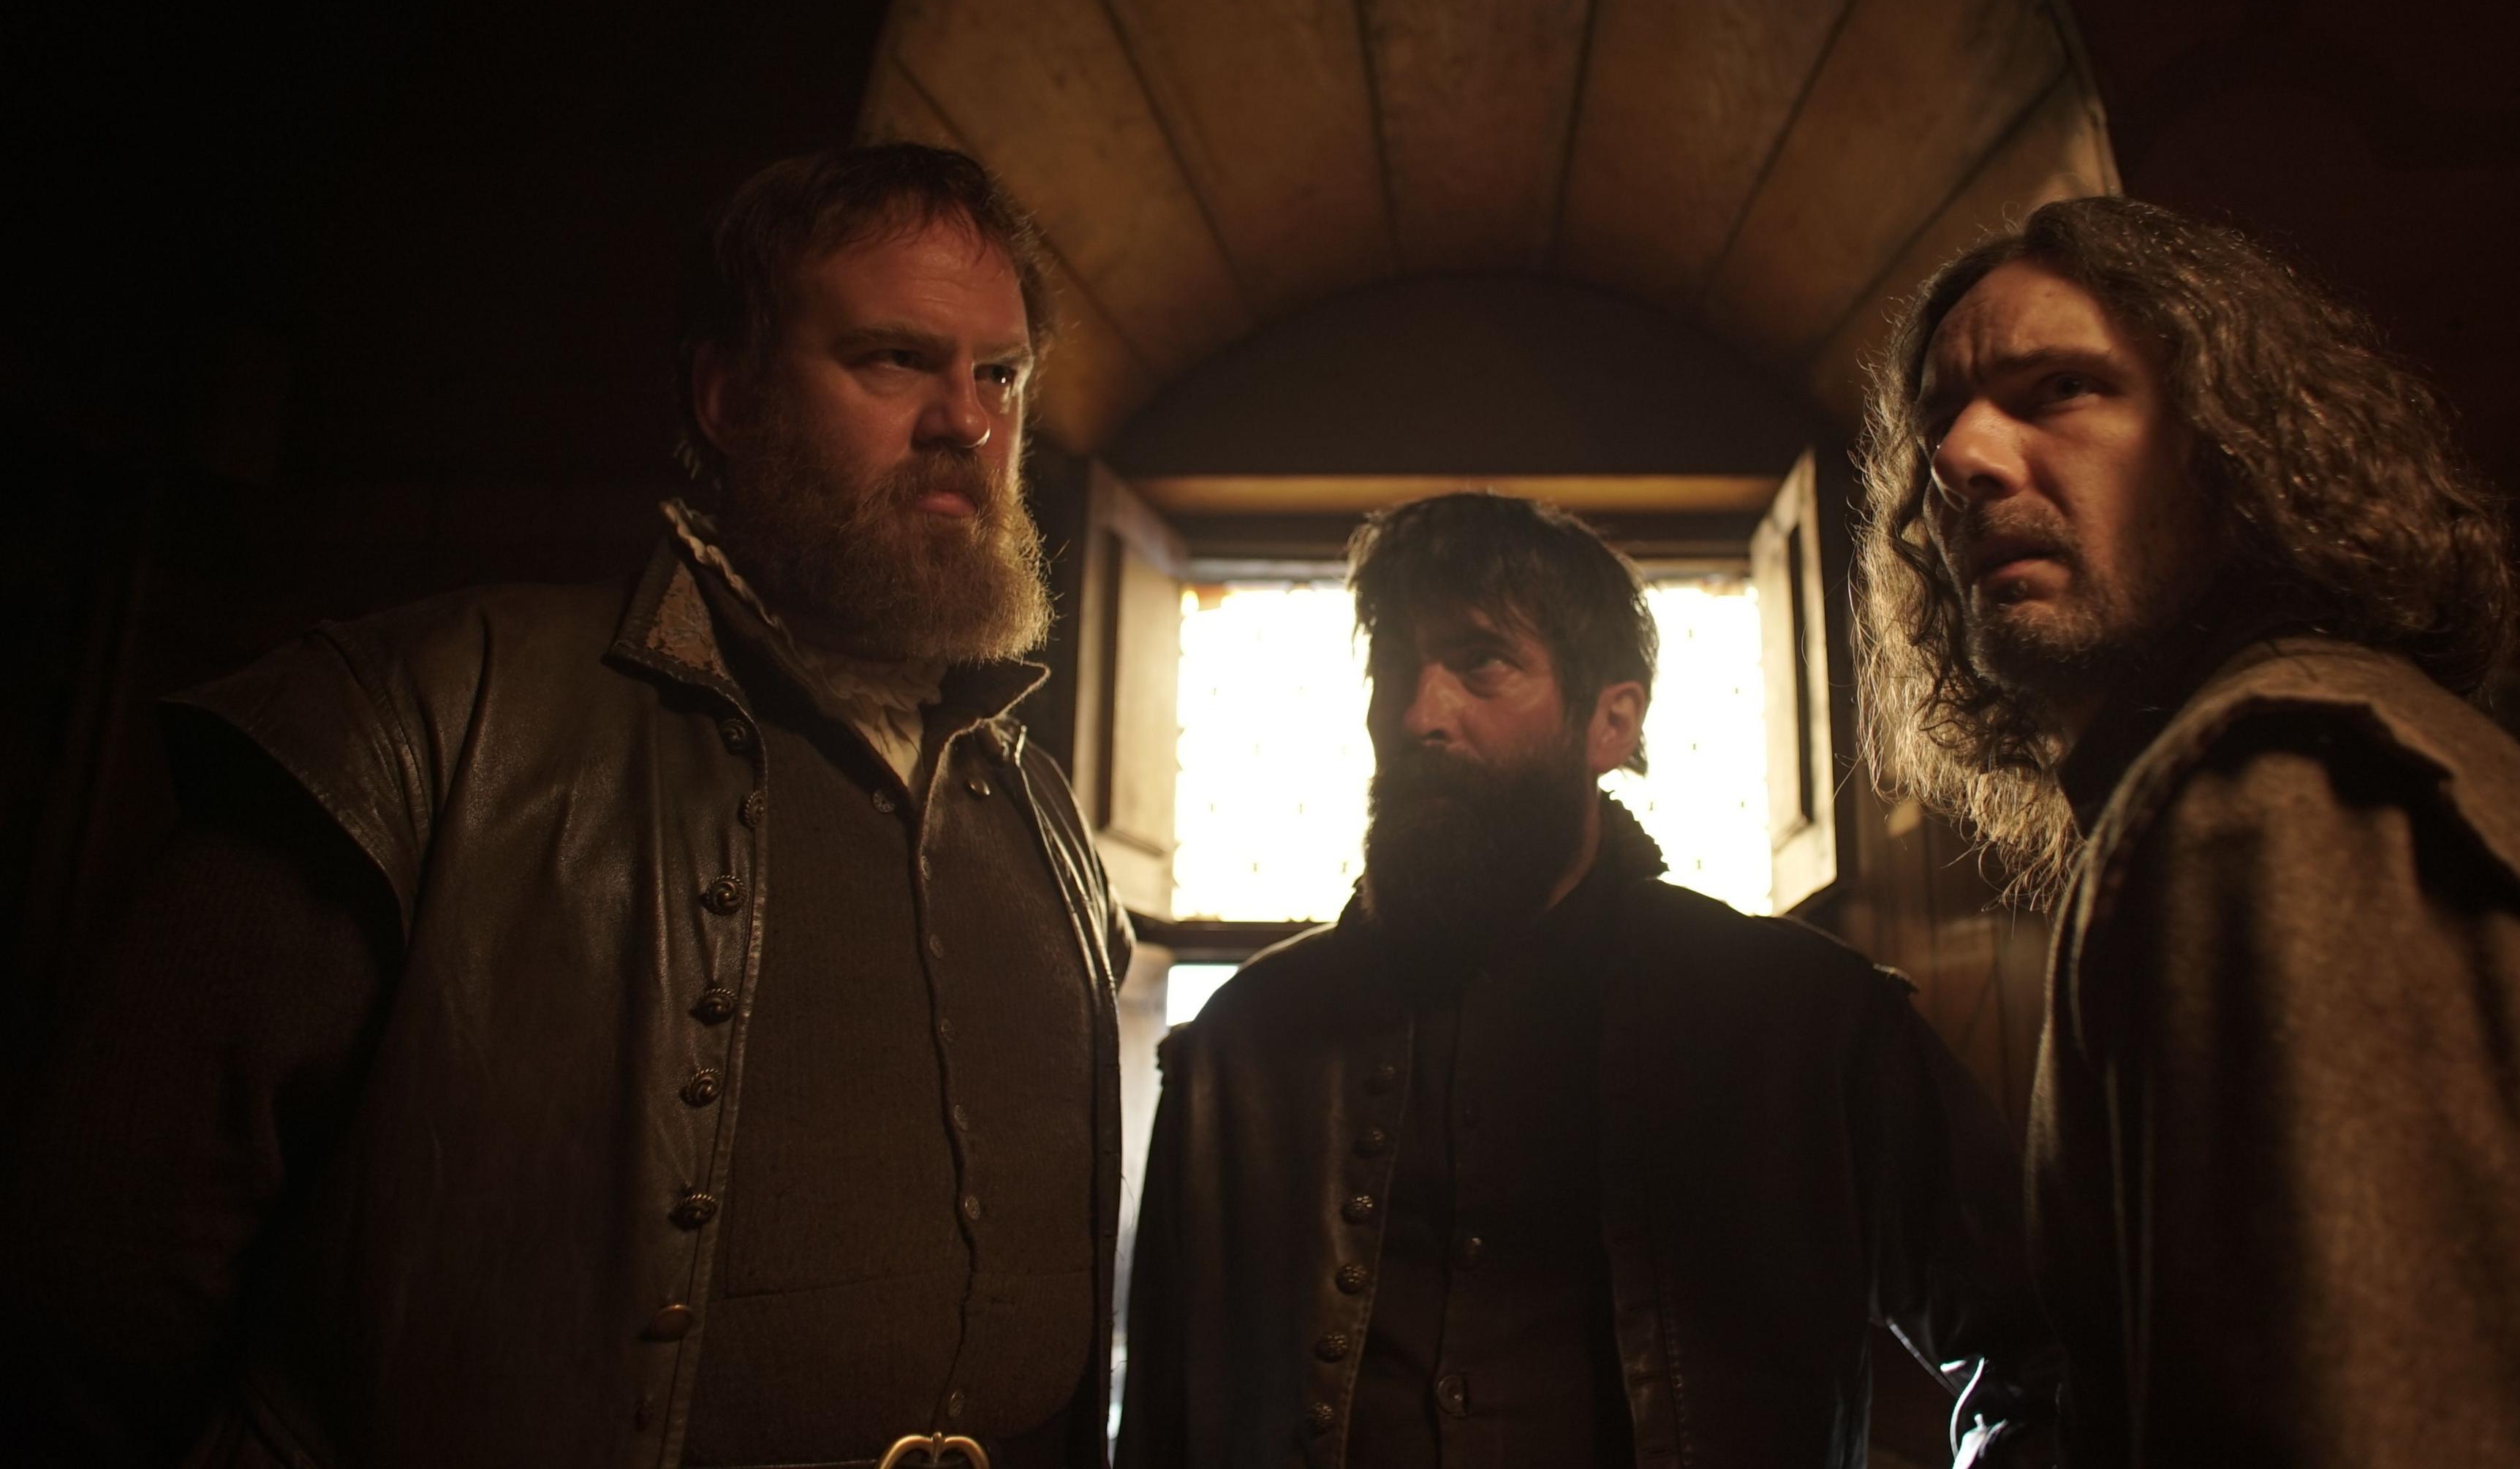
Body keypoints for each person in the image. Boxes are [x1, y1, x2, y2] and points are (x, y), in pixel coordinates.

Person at [0, 145, 1131, 1468]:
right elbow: (92, 1300)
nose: (967, 422)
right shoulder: (431, 726)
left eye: (998, 373)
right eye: (894, 358)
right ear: (728, 393)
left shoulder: (1035, 803)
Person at [1853, 194, 2520, 1467]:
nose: (1961, 457)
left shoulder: (2287, 784)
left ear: (2232, 443)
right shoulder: (2285, 760)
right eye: (1940, 421)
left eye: (2060, 388)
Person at [1119, 492, 2061, 1469]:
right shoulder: (1245, 1046)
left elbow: (2052, 1348)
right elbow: (1159, 1430)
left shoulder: (1804, 1021)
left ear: (1612, 721)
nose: (1418, 713)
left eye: (1481, 661)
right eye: (1394, 665)